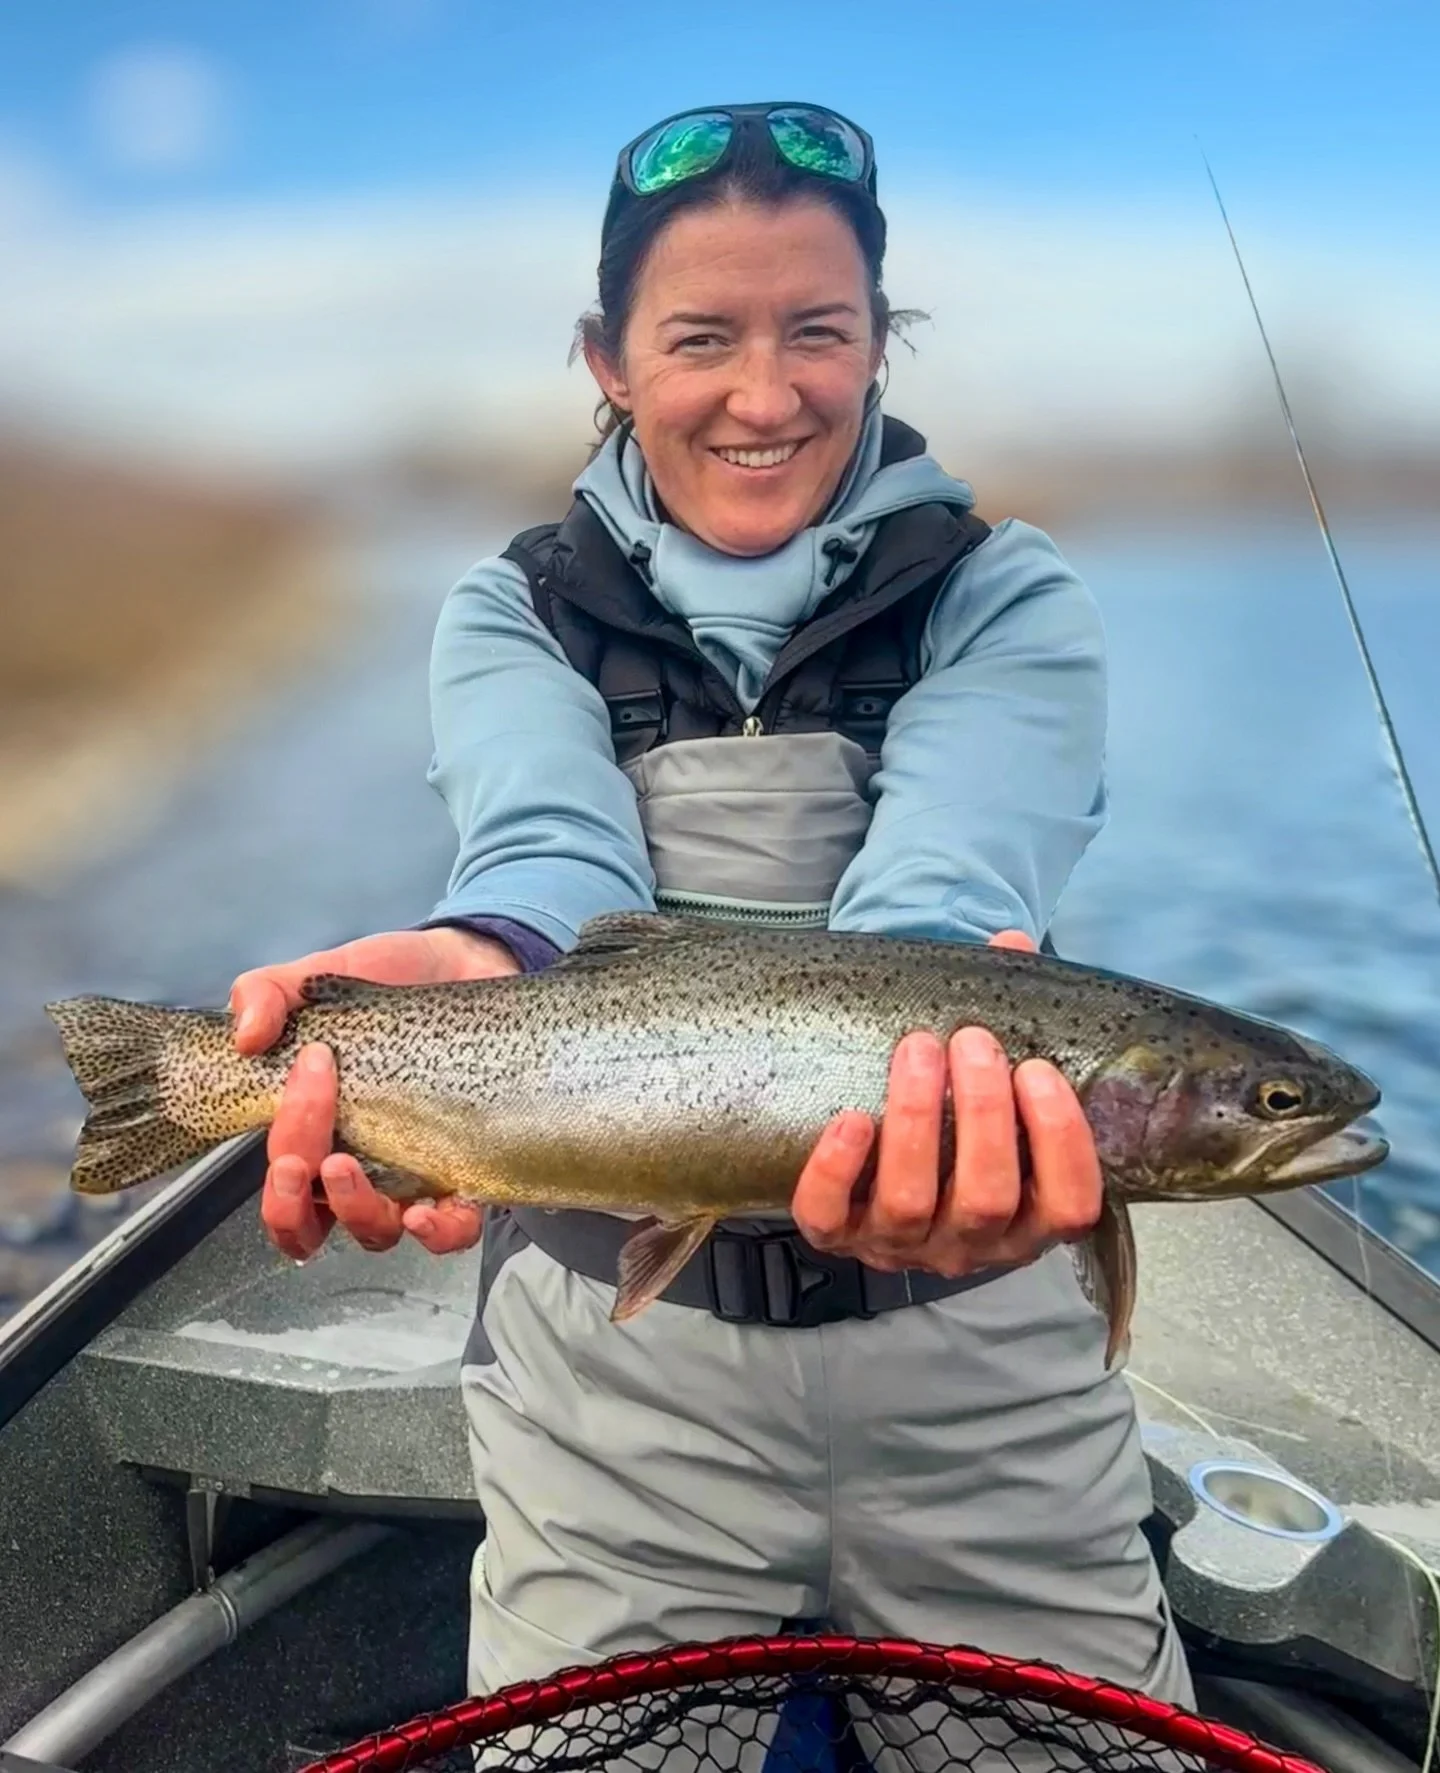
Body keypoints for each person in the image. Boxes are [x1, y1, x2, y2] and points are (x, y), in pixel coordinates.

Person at [230, 101, 1193, 1715]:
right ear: (608, 359)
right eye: (702, 339)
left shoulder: (1005, 595)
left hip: (990, 1396)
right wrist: (472, 962)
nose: (767, 393)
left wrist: (930, 1098)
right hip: (616, 1395)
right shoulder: (513, 611)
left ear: (880, 342)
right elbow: (546, 866)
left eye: (818, 330)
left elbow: (940, 909)